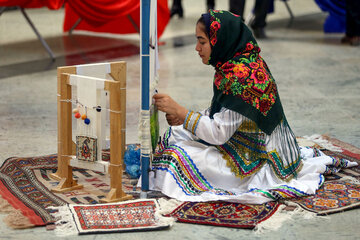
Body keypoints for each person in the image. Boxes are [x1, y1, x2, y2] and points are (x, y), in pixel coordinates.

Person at [149, 10, 356, 204]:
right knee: (175, 134)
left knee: (175, 158)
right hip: (248, 143)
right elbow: (224, 114)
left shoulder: (241, 77)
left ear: (219, 41)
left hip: (255, 162)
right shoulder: (238, 63)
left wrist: (183, 113)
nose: (197, 48)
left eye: (202, 41)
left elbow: (219, 134)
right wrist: (183, 118)